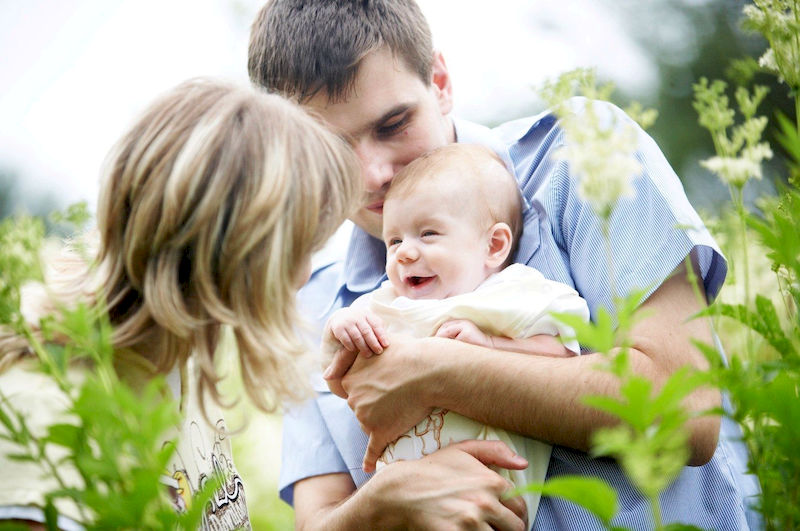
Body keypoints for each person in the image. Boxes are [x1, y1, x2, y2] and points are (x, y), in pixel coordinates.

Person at [248, 1, 760, 529]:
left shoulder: (581, 157)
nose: (374, 174)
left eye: (394, 124)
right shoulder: (317, 302)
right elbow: (319, 520)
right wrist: (382, 502)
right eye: (330, 147)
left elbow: (688, 416)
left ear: (440, 82)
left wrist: (433, 372)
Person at [0, 78, 360, 529]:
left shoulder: (178, 364)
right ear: (227, 246)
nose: (306, 274)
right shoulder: (40, 411)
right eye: (297, 248)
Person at [322, 143, 591, 524]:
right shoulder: (387, 305)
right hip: (410, 511)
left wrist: (490, 346)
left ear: (494, 245)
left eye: (428, 234)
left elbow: (565, 358)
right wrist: (343, 327)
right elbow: (341, 381)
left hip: (496, 504)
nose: (403, 253)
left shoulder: (512, 295)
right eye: (394, 241)